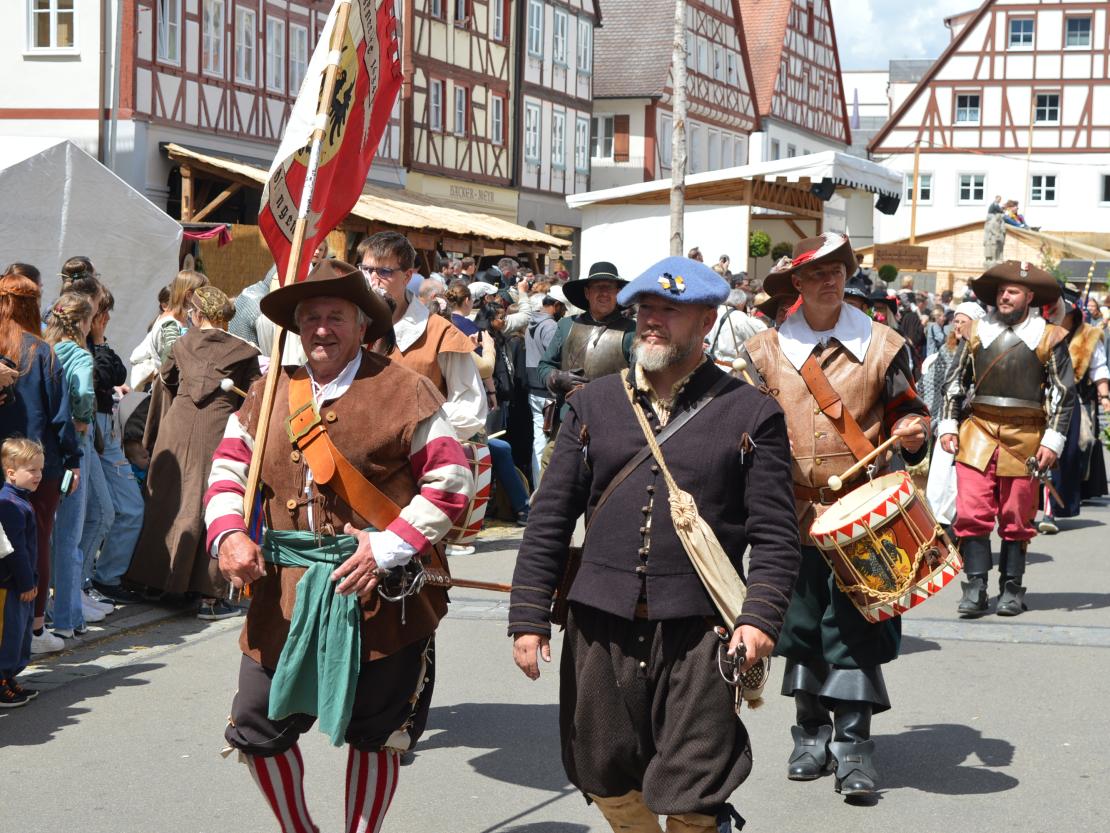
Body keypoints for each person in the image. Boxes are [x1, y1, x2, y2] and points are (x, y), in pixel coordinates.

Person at [510, 256, 800, 833]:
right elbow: (549, 518)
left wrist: (759, 617)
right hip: (599, 625)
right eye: (646, 308)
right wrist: (528, 616)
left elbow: (774, 532)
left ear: (707, 321)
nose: (652, 321)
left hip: (700, 630)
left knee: (697, 781)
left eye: (671, 310)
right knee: (603, 771)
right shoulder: (592, 405)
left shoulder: (752, 412)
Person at [205, 260, 472, 833]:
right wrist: (228, 533)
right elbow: (228, 470)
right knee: (256, 725)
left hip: (380, 592)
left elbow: (451, 482)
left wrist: (388, 547)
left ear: (361, 324)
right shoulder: (267, 392)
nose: (321, 329)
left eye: (335, 316)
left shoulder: (406, 389)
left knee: (376, 734)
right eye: (310, 318)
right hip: (283, 592)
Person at [741, 232, 930, 798]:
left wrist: (913, 431)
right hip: (791, 513)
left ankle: (853, 748)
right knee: (799, 628)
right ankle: (809, 735)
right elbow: (742, 427)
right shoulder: (764, 352)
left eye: (838, 271)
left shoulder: (883, 345)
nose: (830, 280)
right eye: (818, 273)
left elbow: (910, 413)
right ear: (796, 283)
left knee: (855, 630)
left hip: (862, 517)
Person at [940, 261, 1075, 617]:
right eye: (1001, 291)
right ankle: (975, 587)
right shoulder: (976, 333)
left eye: (1012, 291)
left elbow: (1063, 394)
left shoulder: (1049, 336)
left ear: (1029, 297)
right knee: (971, 511)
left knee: (1016, 516)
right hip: (978, 433)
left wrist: (1052, 441)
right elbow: (954, 383)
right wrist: (949, 424)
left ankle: (1012, 588)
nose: (1004, 296)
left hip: (1025, 437)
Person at [127, 287, 261, 619]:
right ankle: (208, 598)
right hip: (217, 429)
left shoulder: (182, 343)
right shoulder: (244, 352)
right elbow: (255, 398)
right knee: (210, 502)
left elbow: (166, 381)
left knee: (167, 502)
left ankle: (154, 583)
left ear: (198, 315)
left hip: (177, 428)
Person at [0, 276, 81, 654]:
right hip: (36, 468)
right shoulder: (41, 351)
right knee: (35, 543)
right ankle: (33, 630)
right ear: (32, 306)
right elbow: (61, 416)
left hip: (7, 465)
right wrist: (73, 460)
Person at [358, 232, 486, 442]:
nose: (373, 280)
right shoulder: (349, 326)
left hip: (413, 456)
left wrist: (412, 424)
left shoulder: (441, 333)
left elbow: (470, 408)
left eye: (384, 272)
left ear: (407, 276)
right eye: (366, 269)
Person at [44, 292, 97, 640]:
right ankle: (67, 617)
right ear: (82, 322)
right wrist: (82, 418)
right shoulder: (79, 355)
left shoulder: (43, 351)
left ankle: (46, 611)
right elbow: (84, 394)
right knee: (69, 535)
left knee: (45, 533)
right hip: (73, 446)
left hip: (44, 446)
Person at [1037, 293, 1110, 532]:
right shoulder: (1041, 331)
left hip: (1069, 404)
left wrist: (1105, 397)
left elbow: (1099, 369)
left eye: (1064, 312)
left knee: (1060, 457)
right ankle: (1025, 510)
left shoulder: (1088, 336)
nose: (1058, 315)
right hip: (1037, 402)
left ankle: (1050, 511)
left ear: (1073, 314)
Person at [538, 262, 635, 427]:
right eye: (598, 287)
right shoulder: (566, 325)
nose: (604, 293)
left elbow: (640, 379)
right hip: (569, 418)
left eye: (609, 287)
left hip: (613, 422)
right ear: (587, 292)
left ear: (618, 293)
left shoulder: (632, 330)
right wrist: (556, 378)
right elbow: (544, 365)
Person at [923, 302, 984, 528]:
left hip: (971, 426)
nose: (958, 325)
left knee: (961, 482)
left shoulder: (980, 353)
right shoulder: (943, 353)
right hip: (943, 424)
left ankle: (959, 529)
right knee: (939, 480)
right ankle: (940, 528)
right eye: (956, 321)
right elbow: (929, 387)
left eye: (963, 321)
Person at [0, 437, 44, 707]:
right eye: (32, 470)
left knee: (20, 632)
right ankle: (1, 680)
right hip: (11, 583)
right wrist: (26, 582)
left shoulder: (21, 500)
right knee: (8, 634)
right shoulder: (10, 504)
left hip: (21, 582)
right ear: (11, 473)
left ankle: (9, 676)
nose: (38, 475)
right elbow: (15, 550)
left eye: (40, 469)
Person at [130, 270, 209, 389]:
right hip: (166, 392)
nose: (206, 299)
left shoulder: (185, 320)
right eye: (203, 294)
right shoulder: (169, 326)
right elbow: (171, 368)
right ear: (189, 295)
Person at [524, 289, 566, 485]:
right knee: (545, 442)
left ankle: (538, 486)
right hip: (546, 391)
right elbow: (555, 358)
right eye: (563, 308)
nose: (564, 312)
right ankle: (541, 488)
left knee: (539, 440)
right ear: (556, 305)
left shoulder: (533, 323)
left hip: (535, 388)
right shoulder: (550, 326)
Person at [705, 288, 765, 368]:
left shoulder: (715, 311)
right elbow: (763, 334)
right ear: (741, 303)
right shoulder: (739, 317)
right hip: (730, 368)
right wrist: (753, 318)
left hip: (711, 364)